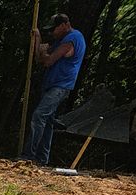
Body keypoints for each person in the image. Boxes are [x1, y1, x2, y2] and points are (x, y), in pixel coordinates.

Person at [22, 13, 86, 165]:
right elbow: (39, 59)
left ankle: (28, 156)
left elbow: (48, 60)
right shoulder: (61, 40)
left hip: (60, 86)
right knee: (48, 121)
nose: (52, 33)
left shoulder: (72, 39)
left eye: (54, 29)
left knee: (39, 116)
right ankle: (42, 159)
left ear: (64, 25)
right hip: (52, 85)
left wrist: (43, 51)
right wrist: (38, 40)